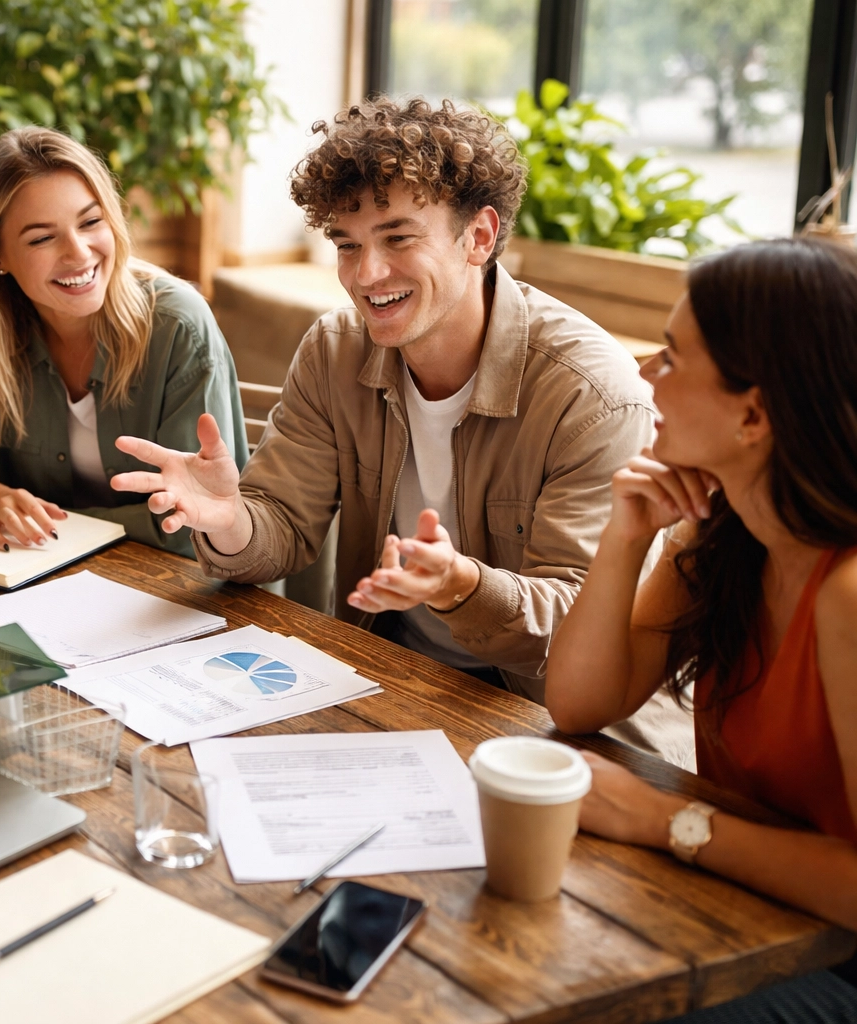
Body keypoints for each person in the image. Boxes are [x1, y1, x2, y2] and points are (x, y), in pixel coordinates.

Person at [111, 98, 655, 703]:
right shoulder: (335, 350)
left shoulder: (593, 396)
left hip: (546, 716)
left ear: (478, 236)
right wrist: (230, 519)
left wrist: (460, 587)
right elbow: (282, 528)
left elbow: (580, 625)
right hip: (389, 673)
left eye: (398, 238)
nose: (367, 274)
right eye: (347, 245)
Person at [546, 237, 857, 1019]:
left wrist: (660, 820)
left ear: (754, 413)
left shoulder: (849, 592)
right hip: (745, 910)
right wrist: (626, 536)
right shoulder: (721, 533)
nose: (646, 370)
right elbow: (580, 706)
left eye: (674, 358)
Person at [0, 126, 246, 557]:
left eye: (91, 221)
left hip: (171, 589)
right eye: (42, 238)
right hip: (32, 577)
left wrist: (55, 528)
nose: (79, 253)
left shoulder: (177, 326)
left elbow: (192, 520)